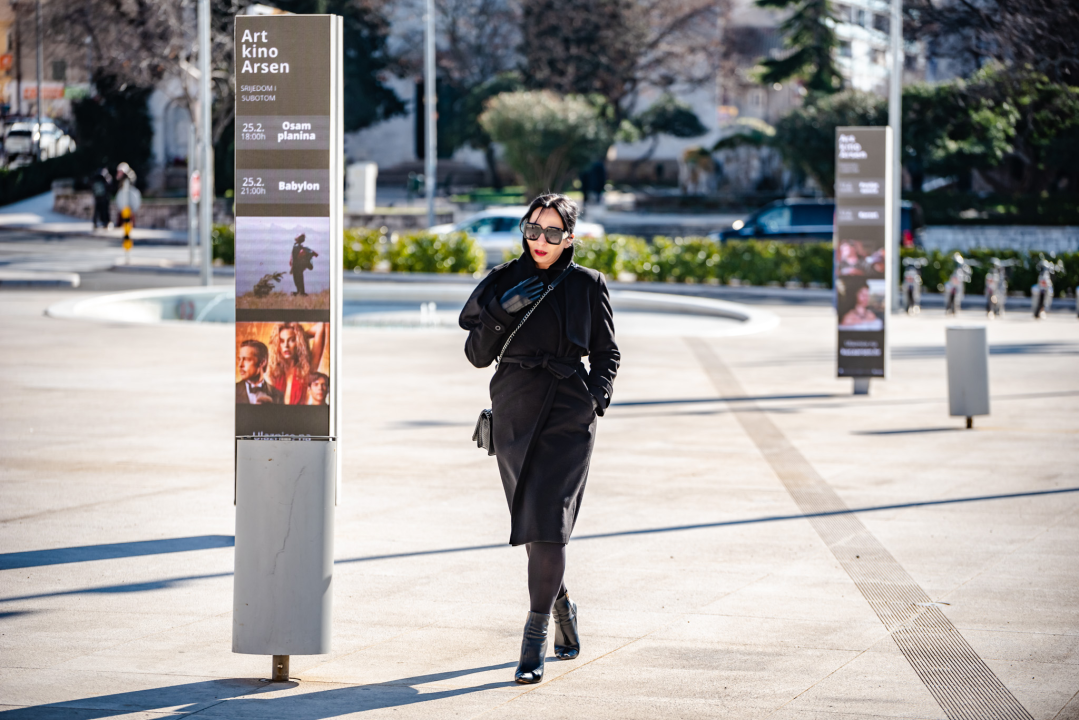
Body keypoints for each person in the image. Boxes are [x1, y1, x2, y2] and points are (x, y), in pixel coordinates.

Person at [459, 193, 620, 685]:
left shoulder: (589, 285)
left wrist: (594, 399)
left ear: (570, 237)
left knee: (549, 521)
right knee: (534, 524)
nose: (541, 241)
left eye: (553, 232)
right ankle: (564, 607)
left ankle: (534, 639)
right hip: (514, 412)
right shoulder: (503, 280)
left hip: (569, 416)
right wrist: (502, 311)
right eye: (533, 229)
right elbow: (476, 355)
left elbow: (607, 354)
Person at [266, 322, 327, 405]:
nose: (286, 346)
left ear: (298, 342)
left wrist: (300, 338)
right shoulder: (272, 371)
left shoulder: (306, 370)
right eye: (282, 341)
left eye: (291, 340)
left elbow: (320, 326)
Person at [236, 340, 283, 404]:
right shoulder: (232, 390)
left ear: (262, 363)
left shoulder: (278, 395)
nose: (240, 365)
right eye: (239, 359)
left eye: (246, 359)